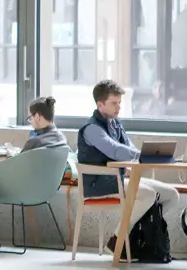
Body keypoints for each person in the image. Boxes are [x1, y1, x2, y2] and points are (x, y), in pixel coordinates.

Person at [77, 80, 180, 233]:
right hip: (98, 184)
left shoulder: (115, 124)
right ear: (100, 104)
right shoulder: (91, 129)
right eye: (114, 103)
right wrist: (147, 155)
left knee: (171, 195)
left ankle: (137, 237)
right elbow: (114, 150)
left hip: (118, 179)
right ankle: (117, 239)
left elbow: (129, 148)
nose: (119, 107)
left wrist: (147, 156)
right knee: (148, 195)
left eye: (119, 102)